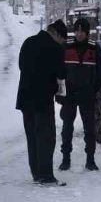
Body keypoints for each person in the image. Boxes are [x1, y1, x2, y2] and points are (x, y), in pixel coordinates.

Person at [16, 20, 68, 185]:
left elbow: (21, 65)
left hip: (25, 98)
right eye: (62, 40)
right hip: (43, 100)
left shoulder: (28, 42)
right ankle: (46, 176)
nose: (62, 43)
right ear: (57, 34)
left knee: (32, 137)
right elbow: (61, 72)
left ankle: (37, 173)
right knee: (46, 137)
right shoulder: (54, 48)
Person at [58, 17, 101, 172]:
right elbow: (58, 71)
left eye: (82, 31)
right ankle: (66, 159)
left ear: (87, 32)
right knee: (67, 128)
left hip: (87, 95)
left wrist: (94, 90)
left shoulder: (94, 48)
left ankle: (90, 160)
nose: (79, 34)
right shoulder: (66, 47)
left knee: (89, 129)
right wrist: (60, 93)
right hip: (69, 95)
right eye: (76, 30)